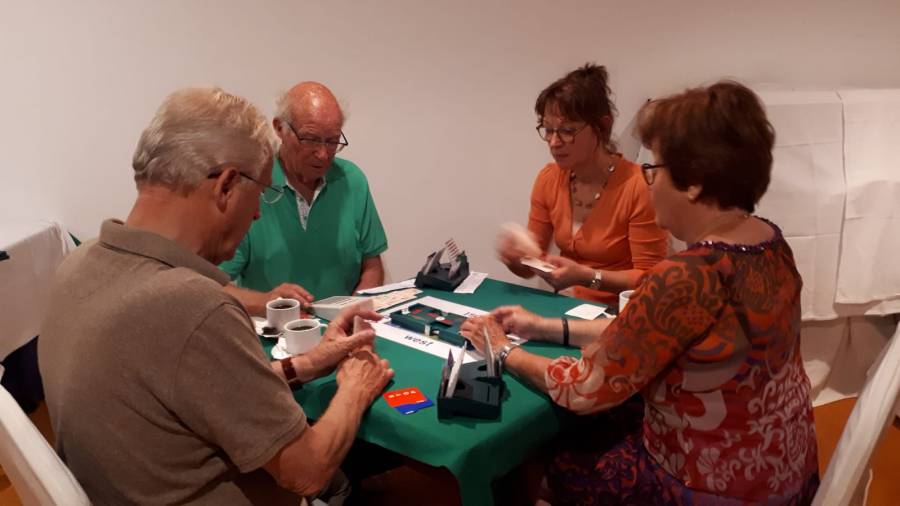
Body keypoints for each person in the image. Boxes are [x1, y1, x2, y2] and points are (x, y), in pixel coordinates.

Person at [464, 81, 819, 503]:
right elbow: (641, 332)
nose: (648, 182)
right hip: (786, 469)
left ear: (694, 181)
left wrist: (503, 349)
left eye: (655, 169)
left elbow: (583, 388)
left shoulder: (688, 276)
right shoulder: (770, 242)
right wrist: (542, 327)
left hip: (708, 487)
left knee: (544, 460)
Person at [39, 87, 393, 505]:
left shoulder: (76, 264)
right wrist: (355, 386)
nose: (258, 213)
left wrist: (306, 364)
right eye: (260, 194)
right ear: (226, 185)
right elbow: (308, 470)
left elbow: (195, 390)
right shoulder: (196, 307)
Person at [499, 63, 667, 305]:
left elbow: (650, 279)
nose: (554, 142)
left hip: (618, 311)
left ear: (603, 127)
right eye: (548, 130)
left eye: (567, 130)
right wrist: (516, 258)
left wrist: (588, 277)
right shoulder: (549, 178)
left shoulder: (638, 185)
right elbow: (532, 264)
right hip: (566, 306)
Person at [220, 82, 388, 316]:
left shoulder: (352, 181)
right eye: (310, 139)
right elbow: (214, 287)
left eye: (332, 141)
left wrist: (354, 311)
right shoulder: (252, 186)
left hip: (341, 327)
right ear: (280, 128)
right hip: (276, 331)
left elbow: (372, 265)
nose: (323, 154)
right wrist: (267, 302)